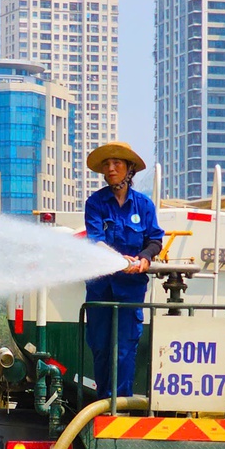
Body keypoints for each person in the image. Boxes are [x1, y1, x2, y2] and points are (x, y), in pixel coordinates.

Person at [83, 142, 164, 399]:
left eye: (117, 163)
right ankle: (104, 404)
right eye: (107, 164)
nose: (111, 168)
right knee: (101, 346)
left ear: (129, 169)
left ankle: (121, 405)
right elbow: (95, 240)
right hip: (101, 290)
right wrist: (119, 259)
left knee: (125, 349)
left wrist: (144, 259)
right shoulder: (95, 203)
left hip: (130, 292)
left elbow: (154, 240)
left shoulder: (144, 205)